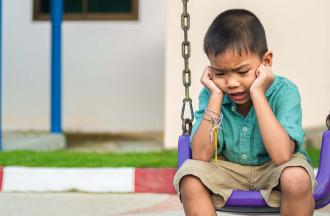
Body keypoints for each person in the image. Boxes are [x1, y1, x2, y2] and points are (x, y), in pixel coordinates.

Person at [173, 9, 317, 216]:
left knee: (297, 178)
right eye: (220, 73)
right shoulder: (212, 93)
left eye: (242, 72)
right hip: (228, 169)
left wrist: (257, 92)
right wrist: (215, 95)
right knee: (190, 179)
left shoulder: (285, 92)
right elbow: (201, 156)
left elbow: (282, 156)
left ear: (266, 62)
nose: (231, 83)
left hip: (274, 169)